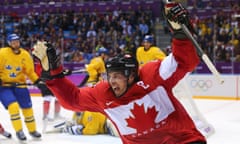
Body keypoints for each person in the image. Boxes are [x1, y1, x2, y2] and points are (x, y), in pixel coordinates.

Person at [33, 2, 206, 144]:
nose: (112, 81)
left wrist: (180, 33)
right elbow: (72, 100)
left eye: (117, 76)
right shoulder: (103, 93)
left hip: (183, 141)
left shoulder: (153, 75)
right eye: (110, 75)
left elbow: (184, 61)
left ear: (131, 75)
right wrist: (53, 74)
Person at [136, 36, 214, 137]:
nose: (146, 44)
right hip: (146, 80)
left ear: (151, 43)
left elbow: (164, 64)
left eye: (148, 42)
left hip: (156, 80)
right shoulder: (139, 50)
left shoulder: (156, 50)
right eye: (144, 42)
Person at [0, 34, 42, 141]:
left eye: (17, 41)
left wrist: (37, 81)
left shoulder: (25, 54)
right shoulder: (2, 53)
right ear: (9, 43)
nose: (15, 43)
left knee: (27, 109)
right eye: (13, 42)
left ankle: (32, 130)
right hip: (5, 86)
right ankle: (19, 131)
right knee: (13, 106)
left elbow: (30, 72)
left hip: (20, 86)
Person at [46, 111, 119, 137]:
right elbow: (75, 122)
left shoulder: (88, 114)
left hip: (109, 123)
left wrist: (80, 130)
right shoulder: (77, 113)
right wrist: (67, 127)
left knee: (123, 134)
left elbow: (92, 131)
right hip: (107, 126)